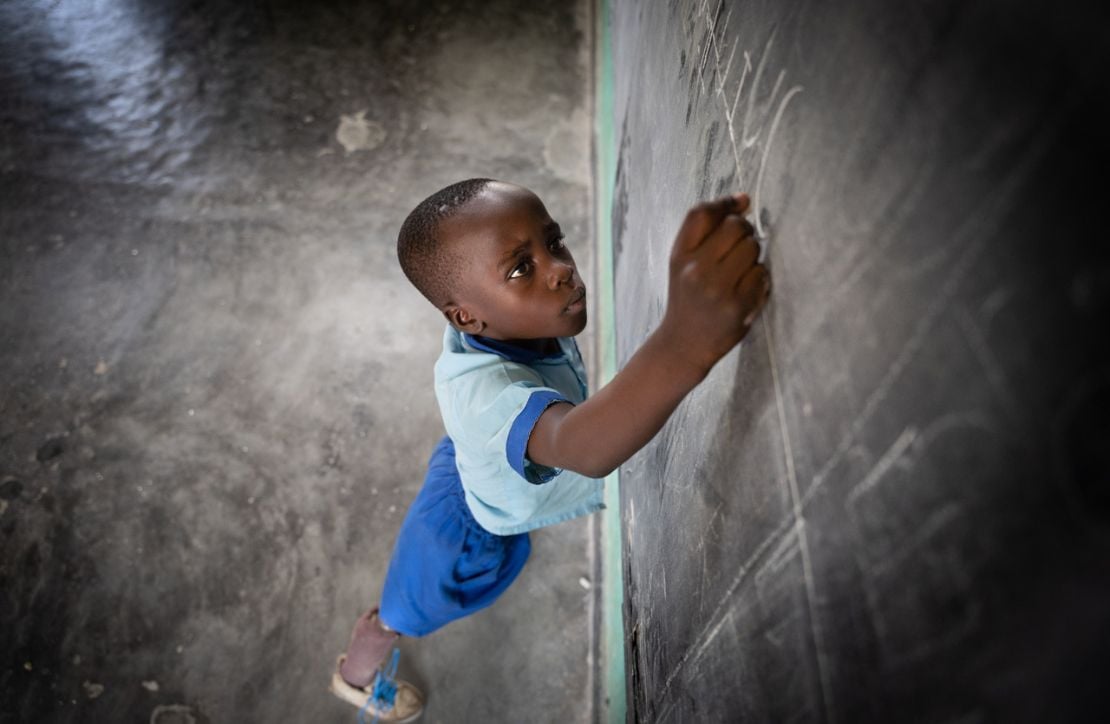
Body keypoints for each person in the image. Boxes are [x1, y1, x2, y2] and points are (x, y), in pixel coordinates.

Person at [329, 178, 771, 721]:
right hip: (464, 532)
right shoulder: (490, 398)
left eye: (554, 243)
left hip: (472, 466)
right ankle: (356, 674)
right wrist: (684, 342)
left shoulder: (515, 321)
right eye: (521, 268)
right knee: (407, 608)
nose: (560, 268)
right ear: (466, 316)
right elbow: (577, 445)